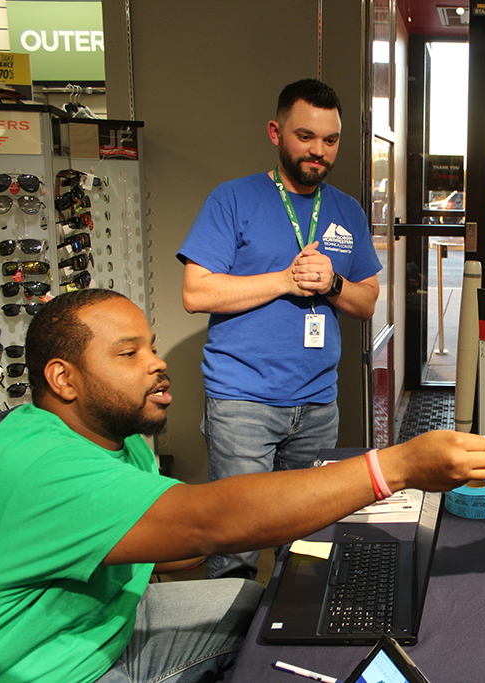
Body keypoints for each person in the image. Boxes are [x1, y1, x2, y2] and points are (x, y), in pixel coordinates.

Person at [0, 289, 485, 683]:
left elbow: (169, 552)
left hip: (107, 620)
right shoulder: (42, 468)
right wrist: (396, 468)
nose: (157, 364)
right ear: (64, 379)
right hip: (59, 668)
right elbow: (206, 523)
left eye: (151, 347)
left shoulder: (113, 432)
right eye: (129, 354)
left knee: (256, 601)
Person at [177, 78, 383, 580]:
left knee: (308, 540)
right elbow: (196, 292)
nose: (318, 150)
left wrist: (333, 283)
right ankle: (224, 657)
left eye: (330, 140)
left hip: (317, 405)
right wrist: (284, 280)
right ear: (276, 132)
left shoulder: (347, 211)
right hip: (241, 403)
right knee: (237, 542)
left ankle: (287, 645)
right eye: (305, 136)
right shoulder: (233, 199)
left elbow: (368, 300)